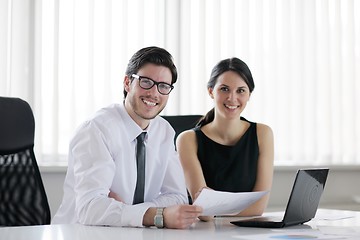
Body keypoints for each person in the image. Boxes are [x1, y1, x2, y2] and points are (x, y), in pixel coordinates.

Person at [52, 46, 202, 228]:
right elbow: (90, 208)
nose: (154, 93)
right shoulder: (96, 129)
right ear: (127, 83)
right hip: (83, 234)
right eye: (146, 82)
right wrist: (155, 215)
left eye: (163, 86)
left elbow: (178, 197)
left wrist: (131, 211)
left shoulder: (163, 131)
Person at [176, 57, 274, 219]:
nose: (232, 98)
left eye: (241, 90)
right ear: (210, 91)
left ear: (249, 94)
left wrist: (215, 208)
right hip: (206, 232)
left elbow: (258, 207)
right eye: (224, 89)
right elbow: (203, 212)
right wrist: (211, 210)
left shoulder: (263, 134)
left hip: (247, 232)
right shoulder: (187, 140)